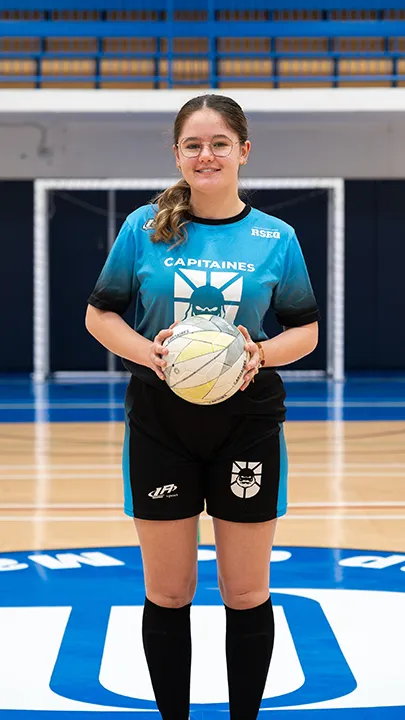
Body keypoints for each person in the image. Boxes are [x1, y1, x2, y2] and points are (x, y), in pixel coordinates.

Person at [85, 93, 319, 720]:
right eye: (194, 144)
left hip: (247, 426)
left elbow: (305, 331)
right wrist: (149, 353)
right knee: (169, 590)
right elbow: (100, 313)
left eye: (220, 144)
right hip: (162, 424)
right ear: (178, 154)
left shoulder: (277, 237)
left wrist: (258, 355)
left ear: (244, 151)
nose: (207, 155)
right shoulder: (143, 228)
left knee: (245, 592)